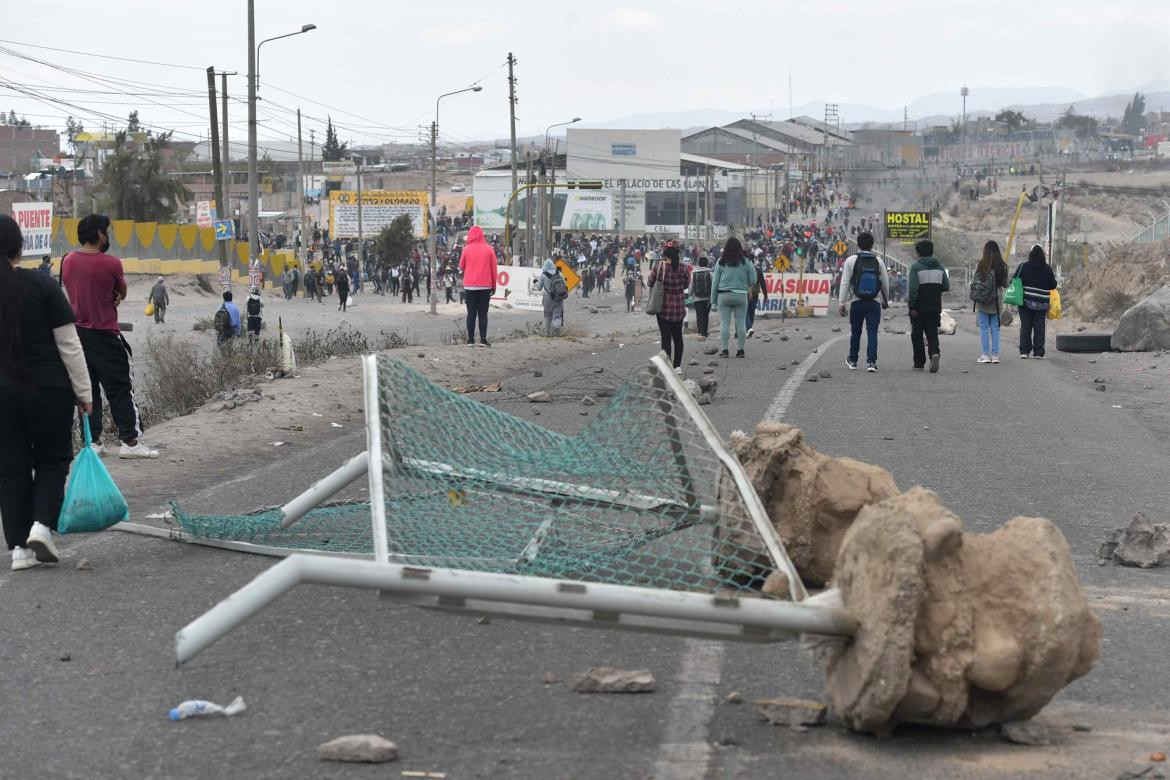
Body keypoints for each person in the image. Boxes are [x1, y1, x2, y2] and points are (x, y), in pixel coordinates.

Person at [0, 215, 93, 571]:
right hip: (49, 389)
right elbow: (69, 345)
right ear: (19, 248)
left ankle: (19, 551)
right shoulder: (41, 285)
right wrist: (85, 393)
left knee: (11, 467)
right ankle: (41, 525)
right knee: (53, 458)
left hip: (3, 394)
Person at [61, 214, 157, 459]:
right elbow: (121, 292)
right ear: (100, 234)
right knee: (120, 389)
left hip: (77, 337)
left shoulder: (67, 261)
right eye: (106, 231)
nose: (108, 235)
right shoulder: (111, 263)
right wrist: (114, 295)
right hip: (105, 334)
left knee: (87, 391)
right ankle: (130, 442)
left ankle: (93, 443)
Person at [837, 231, 890, 372]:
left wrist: (842, 302)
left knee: (856, 332)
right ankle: (871, 362)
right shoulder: (878, 261)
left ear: (858, 245)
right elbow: (885, 283)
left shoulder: (851, 260)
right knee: (872, 332)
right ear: (872, 245)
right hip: (874, 302)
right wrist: (885, 300)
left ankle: (853, 360)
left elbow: (845, 282)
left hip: (856, 302)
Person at [907, 239, 950, 373]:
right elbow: (946, 286)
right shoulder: (940, 267)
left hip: (919, 308)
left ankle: (919, 364)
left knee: (917, 335)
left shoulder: (915, 267)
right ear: (932, 252)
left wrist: (911, 306)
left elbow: (913, 289)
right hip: (934, 307)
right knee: (932, 333)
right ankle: (934, 353)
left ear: (918, 253)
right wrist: (934, 289)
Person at [647, 242, 690, 373]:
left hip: (663, 308)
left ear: (665, 255)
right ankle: (677, 366)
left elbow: (650, 282)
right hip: (678, 308)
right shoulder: (683, 267)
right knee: (678, 338)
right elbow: (686, 285)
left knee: (665, 338)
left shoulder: (659, 266)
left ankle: (667, 365)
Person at [711, 237, 753, 358]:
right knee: (740, 323)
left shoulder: (721, 261)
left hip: (724, 296)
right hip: (740, 295)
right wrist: (745, 282)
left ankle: (724, 351)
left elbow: (715, 283)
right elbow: (753, 279)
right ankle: (740, 350)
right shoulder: (746, 261)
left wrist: (713, 302)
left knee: (724, 323)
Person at [1015, 244, 1058, 359]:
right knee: (1039, 327)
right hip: (1041, 304)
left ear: (1030, 254)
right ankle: (1039, 352)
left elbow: (1014, 280)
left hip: (1025, 302)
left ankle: (1024, 352)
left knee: (1025, 326)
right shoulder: (1047, 269)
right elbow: (1053, 285)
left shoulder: (1023, 266)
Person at [458, 225, 498, 346]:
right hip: (485, 286)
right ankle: (483, 340)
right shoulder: (489, 249)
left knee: (471, 313)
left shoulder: (466, 249)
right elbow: (494, 270)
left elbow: (461, 266)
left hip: (470, 286)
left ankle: (470, 340)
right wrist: (493, 286)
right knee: (482, 314)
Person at [971, 240, 1009, 363]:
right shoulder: (1002, 266)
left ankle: (986, 355)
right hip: (996, 302)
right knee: (995, 328)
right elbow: (1005, 284)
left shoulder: (981, 265)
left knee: (984, 328)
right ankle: (995, 355)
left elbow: (975, 281)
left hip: (982, 301)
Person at [538, 259, 567, 336]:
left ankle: (547, 334)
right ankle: (557, 334)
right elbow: (565, 284)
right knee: (557, 316)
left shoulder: (543, 274)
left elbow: (539, 287)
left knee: (548, 316)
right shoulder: (559, 273)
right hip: (559, 297)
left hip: (547, 298)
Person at [690, 257, 712, 339]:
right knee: (706, 315)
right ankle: (705, 332)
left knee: (699, 316)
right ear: (707, 264)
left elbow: (691, 287)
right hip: (708, 299)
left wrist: (689, 298)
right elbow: (713, 287)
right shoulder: (710, 273)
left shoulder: (693, 274)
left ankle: (700, 333)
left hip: (697, 299)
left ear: (699, 264)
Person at [745, 262, 769, 338]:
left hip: (744, 294)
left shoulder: (743, 269)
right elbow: (762, 284)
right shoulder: (758, 271)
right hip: (755, 294)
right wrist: (765, 295)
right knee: (751, 312)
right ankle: (749, 329)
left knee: (745, 312)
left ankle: (748, 328)